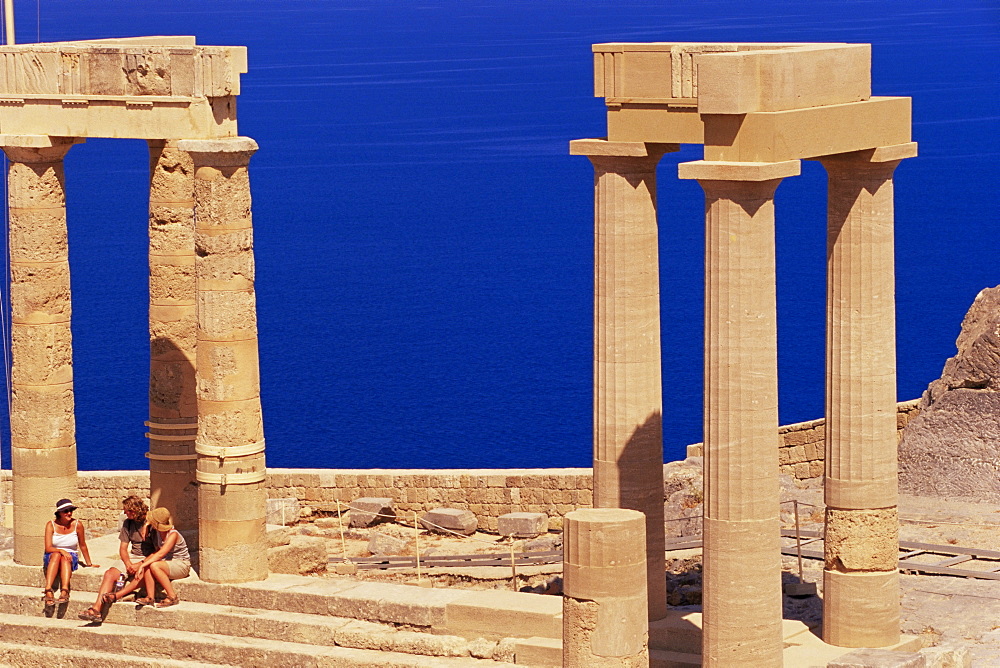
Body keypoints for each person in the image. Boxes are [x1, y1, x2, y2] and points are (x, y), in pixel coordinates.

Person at [78, 495, 151, 622]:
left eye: (128, 511)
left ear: (136, 510)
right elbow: (123, 548)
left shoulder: (151, 522)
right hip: (133, 556)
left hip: (149, 558)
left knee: (141, 575)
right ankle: (96, 609)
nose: (125, 513)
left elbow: (159, 551)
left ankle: (116, 596)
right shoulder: (128, 523)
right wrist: (128, 564)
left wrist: (141, 564)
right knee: (109, 574)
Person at [103, 507, 189, 609]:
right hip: (168, 562)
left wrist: (141, 565)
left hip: (181, 564)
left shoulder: (173, 534)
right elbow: (148, 519)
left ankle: (172, 597)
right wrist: (146, 525)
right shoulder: (157, 531)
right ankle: (150, 597)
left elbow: (160, 554)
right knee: (149, 566)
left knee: (154, 565)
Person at [43, 498, 99, 607]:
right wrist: (61, 550)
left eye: (71, 510)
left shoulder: (77, 525)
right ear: (59, 513)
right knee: (56, 555)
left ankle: (64, 590)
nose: (69, 513)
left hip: (69, 556)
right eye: (66, 511)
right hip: (53, 554)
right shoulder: (50, 525)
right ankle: (48, 589)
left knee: (65, 558)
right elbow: (48, 548)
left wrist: (89, 563)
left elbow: (82, 545)